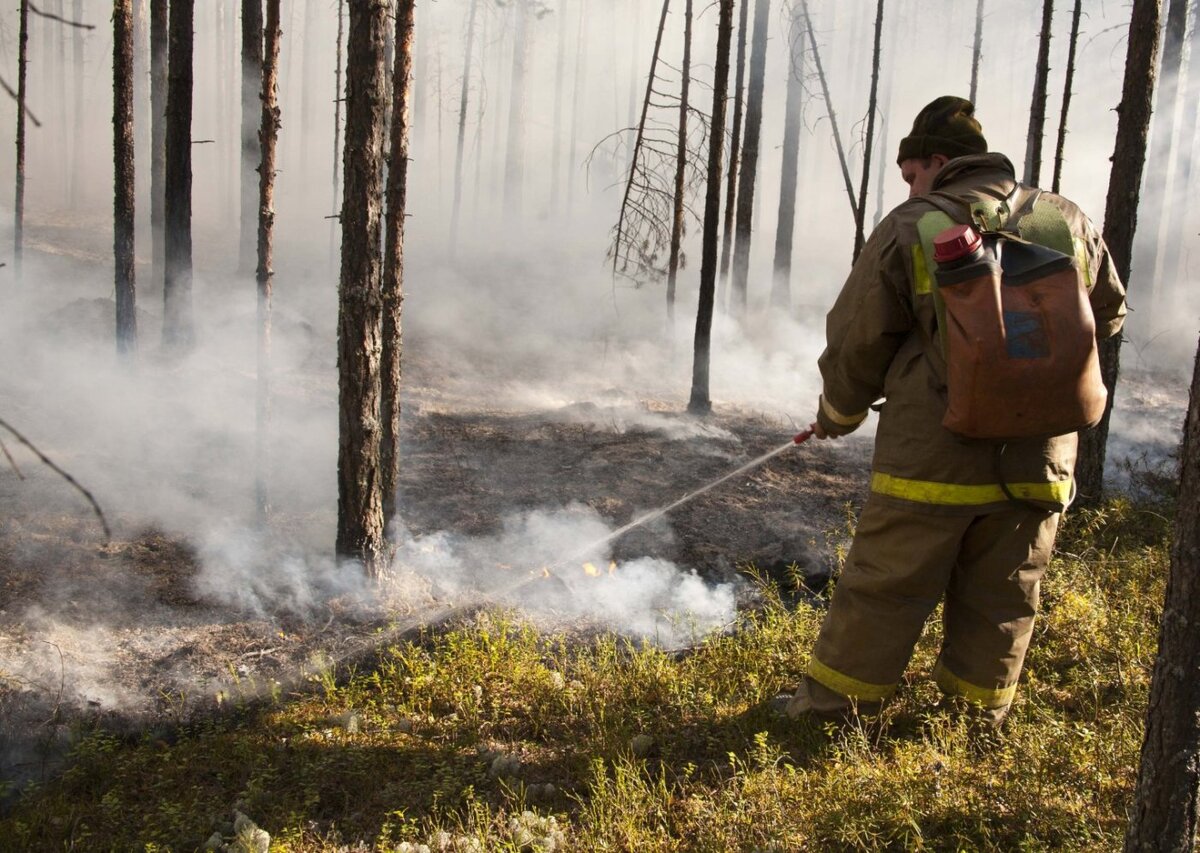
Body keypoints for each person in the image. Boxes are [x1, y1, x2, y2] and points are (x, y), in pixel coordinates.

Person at [774, 96, 1126, 726]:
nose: (910, 185)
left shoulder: (916, 223)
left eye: (912, 172)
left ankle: (831, 714)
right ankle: (971, 722)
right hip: (1039, 457)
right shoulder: (1065, 219)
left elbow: (859, 336)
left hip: (933, 455)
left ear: (939, 161)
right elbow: (1108, 314)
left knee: (885, 586)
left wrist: (838, 412)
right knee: (1004, 596)